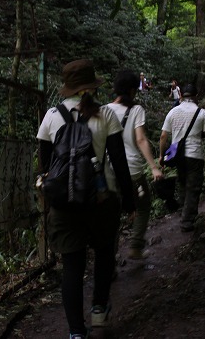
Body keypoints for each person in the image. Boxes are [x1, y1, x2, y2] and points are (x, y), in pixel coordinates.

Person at [37, 59, 136, 339]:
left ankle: (76, 332)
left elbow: (45, 167)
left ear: (68, 87)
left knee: (72, 265)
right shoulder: (105, 115)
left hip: (65, 205)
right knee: (104, 255)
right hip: (101, 200)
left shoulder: (51, 117)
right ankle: (98, 310)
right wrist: (128, 201)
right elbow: (118, 161)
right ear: (91, 86)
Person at [106, 70, 164, 260]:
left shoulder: (103, 110)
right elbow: (140, 140)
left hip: (109, 171)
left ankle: (109, 260)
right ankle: (136, 246)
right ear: (132, 90)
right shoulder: (136, 110)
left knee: (112, 216)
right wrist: (154, 166)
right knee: (143, 206)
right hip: (132, 171)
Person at [158, 84, 205, 232]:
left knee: (183, 183)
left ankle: (182, 212)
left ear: (181, 96)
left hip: (178, 155)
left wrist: (161, 155)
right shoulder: (202, 113)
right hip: (194, 154)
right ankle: (187, 221)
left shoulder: (173, 112)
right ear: (195, 96)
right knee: (194, 186)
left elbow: (163, 136)